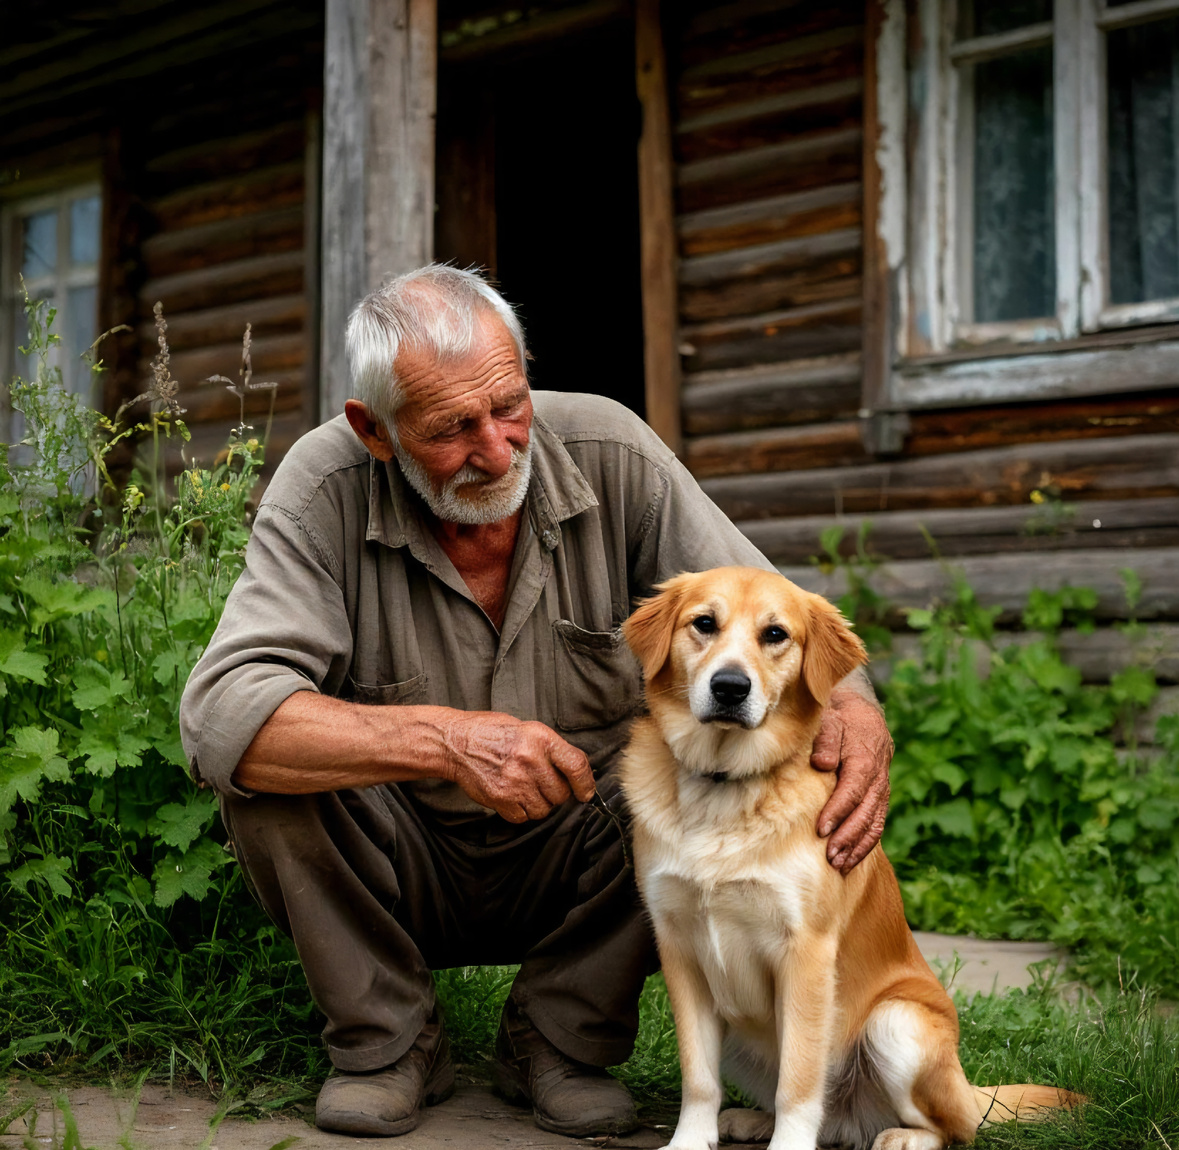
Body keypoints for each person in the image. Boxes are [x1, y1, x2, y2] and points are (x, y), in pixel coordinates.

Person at [180, 265, 893, 1139]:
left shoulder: (612, 450)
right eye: (452, 429)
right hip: (398, 852)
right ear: (375, 431)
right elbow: (222, 713)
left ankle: (557, 1042)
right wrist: (444, 742)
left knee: (680, 777)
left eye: (509, 405)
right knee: (269, 776)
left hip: (579, 841)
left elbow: (772, 604)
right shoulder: (323, 485)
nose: (497, 448)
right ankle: (388, 1043)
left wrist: (856, 710)